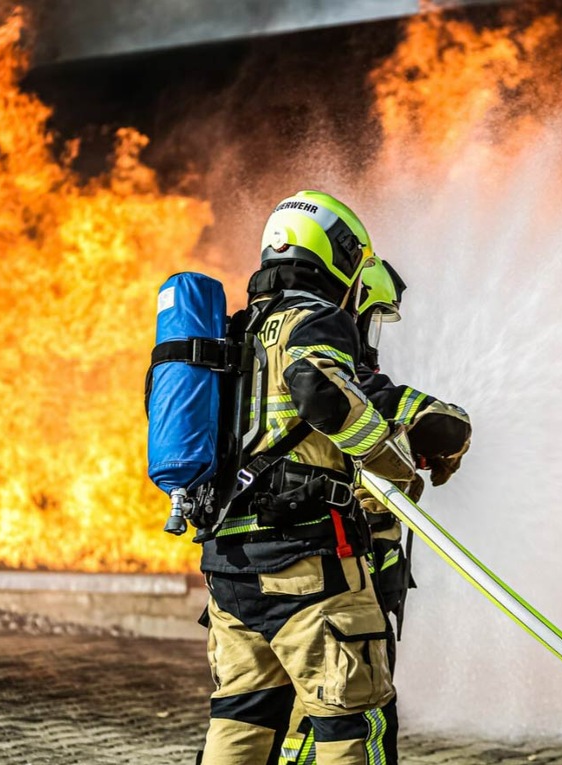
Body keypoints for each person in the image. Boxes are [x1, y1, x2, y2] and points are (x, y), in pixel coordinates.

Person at [199, 191, 417, 765]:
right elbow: (318, 390)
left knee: (241, 724)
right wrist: (395, 469)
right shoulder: (316, 318)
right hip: (310, 568)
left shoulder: (235, 332)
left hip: (230, 570)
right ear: (341, 255)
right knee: (352, 720)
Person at [277, 256, 472, 765]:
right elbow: (375, 400)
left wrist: (428, 434)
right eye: (374, 315)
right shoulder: (331, 358)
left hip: (248, 566)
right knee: (358, 714)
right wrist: (431, 437)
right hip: (326, 569)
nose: (371, 330)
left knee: (261, 716)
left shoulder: (257, 350)